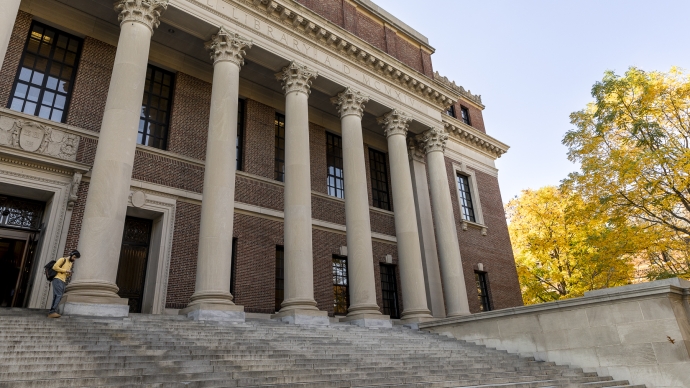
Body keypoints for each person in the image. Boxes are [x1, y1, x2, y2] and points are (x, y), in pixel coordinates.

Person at [47, 250, 80, 318]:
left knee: (58, 295)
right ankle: (52, 312)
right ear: (71, 255)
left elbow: (65, 274)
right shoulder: (62, 259)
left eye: (75, 258)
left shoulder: (70, 263)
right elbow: (55, 267)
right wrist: (65, 270)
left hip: (63, 280)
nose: (74, 259)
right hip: (57, 279)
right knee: (58, 295)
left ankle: (53, 311)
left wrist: (68, 274)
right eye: (74, 257)